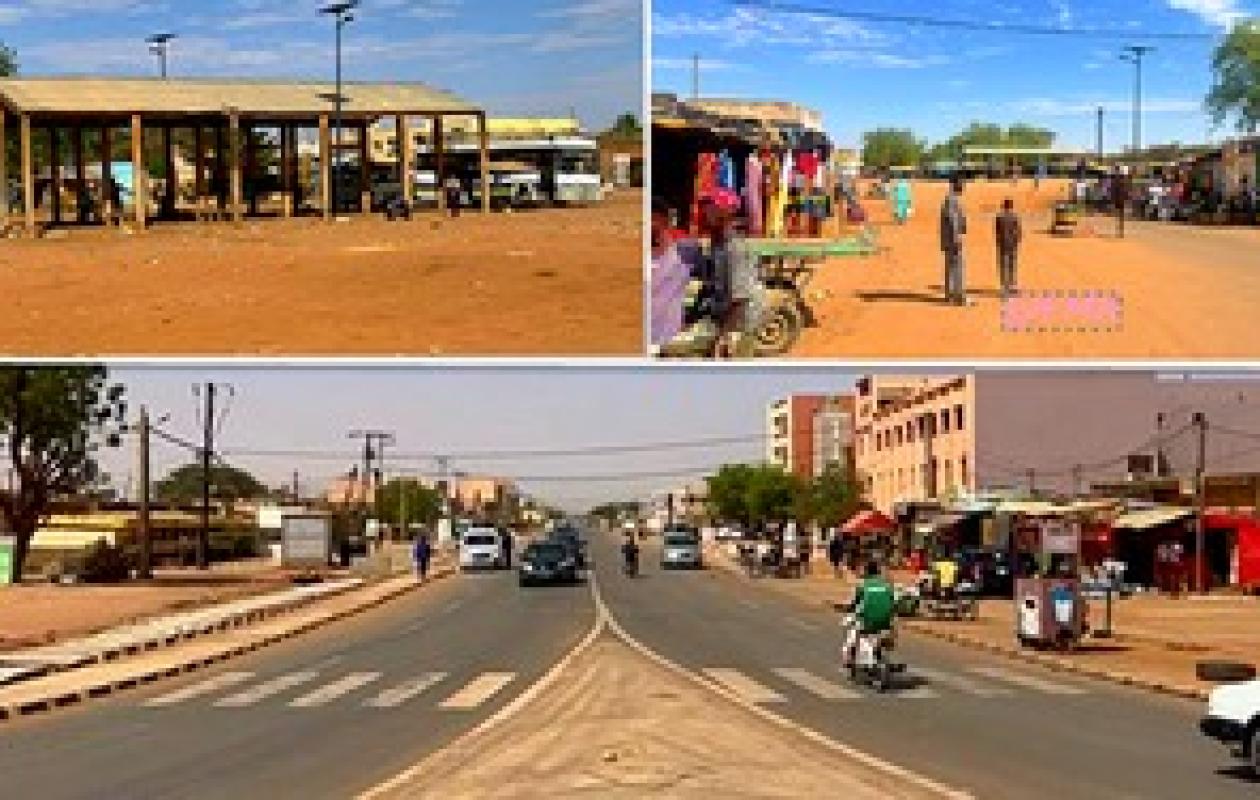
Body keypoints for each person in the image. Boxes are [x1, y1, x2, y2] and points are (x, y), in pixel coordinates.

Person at [842, 561, 897, 669]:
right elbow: (893, 601)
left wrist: (846, 607)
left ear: (866, 572)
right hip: (885, 621)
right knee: (889, 631)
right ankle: (883, 648)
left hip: (867, 620)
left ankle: (849, 659)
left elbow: (854, 602)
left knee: (853, 634)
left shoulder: (862, 585)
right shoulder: (887, 585)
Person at [940, 176, 970, 306]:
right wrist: (957, 237)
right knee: (957, 267)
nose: (963, 187)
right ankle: (958, 296)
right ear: (955, 185)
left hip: (950, 239)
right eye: (961, 184)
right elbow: (952, 220)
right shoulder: (951, 200)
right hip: (953, 240)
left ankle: (951, 295)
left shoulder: (951, 199)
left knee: (951, 266)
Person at [995, 197, 1022, 298]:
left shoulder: (999, 217)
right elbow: (1018, 231)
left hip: (1003, 243)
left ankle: (1004, 287)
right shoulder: (1015, 217)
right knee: (1012, 265)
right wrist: (1017, 241)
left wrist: (998, 242)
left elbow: (997, 232)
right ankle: (1012, 285)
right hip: (1012, 243)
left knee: (1003, 265)